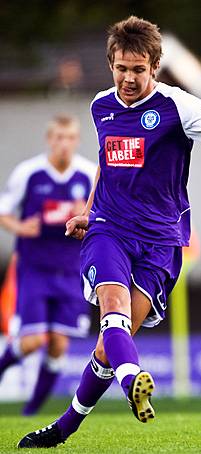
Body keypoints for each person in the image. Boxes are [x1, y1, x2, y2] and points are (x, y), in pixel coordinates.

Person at [18, 16, 201, 448]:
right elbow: (107, 163)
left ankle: (64, 426)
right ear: (111, 65)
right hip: (109, 229)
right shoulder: (101, 106)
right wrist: (89, 212)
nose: (128, 77)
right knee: (113, 306)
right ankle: (133, 382)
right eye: (121, 68)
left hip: (161, 241)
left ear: (154, 67)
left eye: (138, 69)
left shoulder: (180, 107)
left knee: (110, 346)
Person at [0, 115, 95, 415]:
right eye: (58, 137)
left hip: (72, 271)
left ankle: (30, 413)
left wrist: (88, 220)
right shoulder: (29, 173)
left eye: (69, 137)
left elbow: (104, 217)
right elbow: (3, 212)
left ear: (76, 140)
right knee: (31, 342)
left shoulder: (88, 175)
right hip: (34, 268)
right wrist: (20, 227)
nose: (63, 144)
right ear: (49, 139)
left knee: (57, 345)